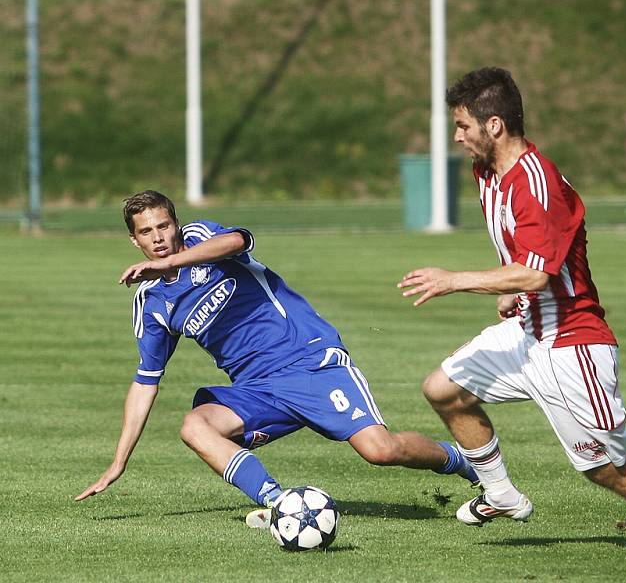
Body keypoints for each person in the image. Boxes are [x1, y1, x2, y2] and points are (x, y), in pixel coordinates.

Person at [397, 67, 626, 553]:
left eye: (463, 126)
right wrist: (508, 288)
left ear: (494, 125)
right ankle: (501, 495)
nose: (457, 137)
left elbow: (536, 274)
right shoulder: (487, 173)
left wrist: (455, 279)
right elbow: (527, 261)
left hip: (572, 343)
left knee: (607, 471)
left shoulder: (536, 184)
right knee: (444, 389)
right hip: (527, 331)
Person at [75, 190, 476, 526]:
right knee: (196, 426)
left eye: (164, 225)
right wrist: (118, 462)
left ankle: (461, 459)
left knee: (380, 451)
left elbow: (237, 241)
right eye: (147, 232)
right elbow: (146, 382)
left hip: (308, 359)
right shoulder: (152, 304)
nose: (158, 237)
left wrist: (170, 262)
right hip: (258, 388)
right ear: (134, 241)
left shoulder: (200, 237)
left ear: (177, 223)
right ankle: (279, 504)